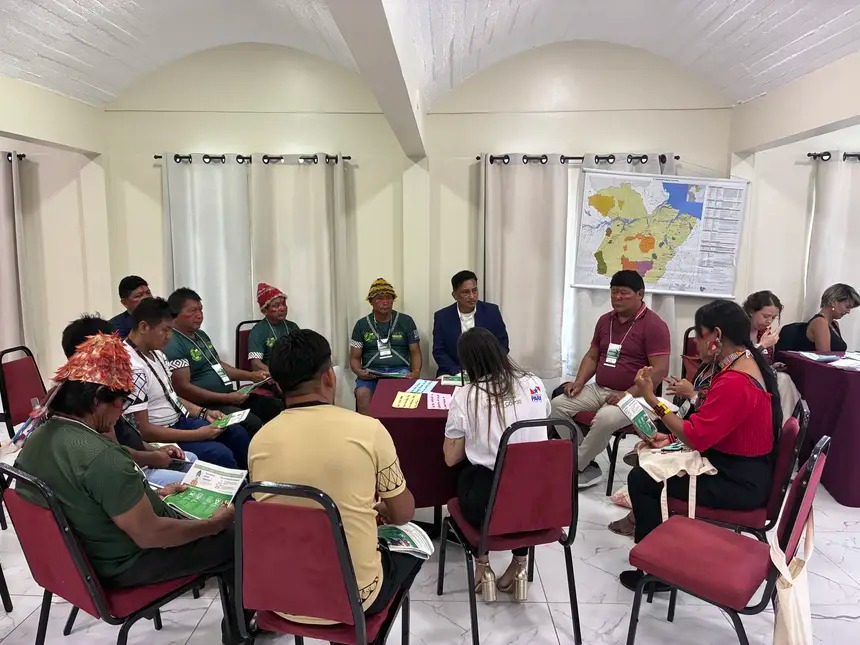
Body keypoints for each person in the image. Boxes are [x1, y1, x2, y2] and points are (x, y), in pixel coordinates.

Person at [13, 333, 242, 644]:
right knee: (235, 535)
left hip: (79, 560)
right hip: (124, 564)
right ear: (95, 400)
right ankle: (240, 631)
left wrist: (155, 497)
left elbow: (85, 498)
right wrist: (215, 524)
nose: (122, 412)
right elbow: (151, 535)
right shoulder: (101, 458)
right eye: (121, 402)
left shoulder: (39, 437)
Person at [249, 329, 422, 627]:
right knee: (411, 550)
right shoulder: (369, 430)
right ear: (329, 376)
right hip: (353, 599)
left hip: (282, 598)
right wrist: (380, 509)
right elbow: (404, 513)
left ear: (277, 384)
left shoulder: (259, 441)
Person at [618, 300, 781, 592]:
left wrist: (652, 400)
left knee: (642, 480)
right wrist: (669, 438)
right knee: (650, 462)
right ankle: (662, 556)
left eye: (699, 333)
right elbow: (709, 422)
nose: (695, 341)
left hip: (737, 482)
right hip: (739, 468)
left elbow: (696, 436)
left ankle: (658, 572)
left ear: (716, 335)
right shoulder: (742, 363)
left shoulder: (736, 380)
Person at [443, 328, 550, 602]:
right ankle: (519, 566)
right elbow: (544, 420)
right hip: (541, 500)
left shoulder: (466, 395)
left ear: (468, 363)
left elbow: (450, 458)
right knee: (522, 473)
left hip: (491, 505)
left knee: (470, 473)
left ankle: (483, 567)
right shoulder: (534, 382)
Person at [551, 270, 670, 488]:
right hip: (599, 388)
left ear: (640, 294)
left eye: (624, 293)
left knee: (604, 420)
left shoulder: (654, 325)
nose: (617, 298)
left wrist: (627, 393)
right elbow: (592, 356)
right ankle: (586, 464)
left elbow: (660, 370)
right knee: (557, 406)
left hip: (635, 396)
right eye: (613, 292)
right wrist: (578, 382)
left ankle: (575, 466)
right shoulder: (605, 321)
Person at [61, 314, 199, 486]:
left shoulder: (106, 382)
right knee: (196, 482)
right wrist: (153, 457)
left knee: (190, 459)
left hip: (138, 459)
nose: (120, 350)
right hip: (131, 471)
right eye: (113, 345)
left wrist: (156, 449)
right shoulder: (96, 398)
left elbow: (127, 435)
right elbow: (114, 454)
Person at [125, 298, 251, 469]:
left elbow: (171, 396)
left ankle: (250, 486)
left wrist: (203, 412)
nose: (170, 337)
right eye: (166, 330)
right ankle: (235, 492)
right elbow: (144, 430)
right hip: (161, 436)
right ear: (144, 327)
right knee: (220, 454)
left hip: (180, 421)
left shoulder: (158, 354)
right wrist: (197, 434)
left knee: (236, 432)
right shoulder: (131, 366)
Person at [165, 288, 283, 432]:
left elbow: (218, 366)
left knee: (276, 406)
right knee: (252, 422)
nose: (199, 315)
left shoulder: (201, 335)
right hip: (207, 404)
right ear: (174, 315)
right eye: (192, 311)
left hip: (227, 396)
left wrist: (252, 376)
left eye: (201, 310)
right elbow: (183, 388)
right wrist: (227, 398)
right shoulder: (173, 342)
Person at [349, 278, 422, 415]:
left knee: (402, 399)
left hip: (400, 371)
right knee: (362, 394)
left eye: (389, 298)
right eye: (380, 298)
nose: (385, 302)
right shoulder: (361, 325)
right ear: (371, 302)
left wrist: (416, 372)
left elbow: (415, 351)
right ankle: (368, 432)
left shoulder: (406, 321)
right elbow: (354, 357)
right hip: (371, 373)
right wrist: (359, 372)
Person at [433, 270, 509, 377]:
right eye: (466, 292)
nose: (472, 296)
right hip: (453, 372)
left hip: (488, 371)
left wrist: (487, 368)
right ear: (455, 295)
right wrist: (458, 372)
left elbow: (503, 344)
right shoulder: (442, 317)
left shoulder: (492, 311)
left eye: (474, 290)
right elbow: (439, 351)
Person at [743, 290, 801, 421]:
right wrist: (762, 345)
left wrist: (771, 365)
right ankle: (785, 425)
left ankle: (786, 423)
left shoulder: (763, 332)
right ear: (752, 311)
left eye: (773, 318)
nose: (769, 321)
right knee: (783, 380)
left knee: (785, 379)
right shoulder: (738, 329)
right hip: (741, 378)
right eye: (765, 316)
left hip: (760, 377)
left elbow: (761, 361)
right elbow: (737, 359)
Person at [247, 282, 300, 372]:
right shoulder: (258, 331)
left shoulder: (292, 326)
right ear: (265, 310)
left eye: (283, 304)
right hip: (272, 377)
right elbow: (256, 364)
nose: (282, 308)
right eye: (276, 305)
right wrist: (275, 375)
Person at [805, 283, 860, 352]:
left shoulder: (834, 324)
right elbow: (825, 355)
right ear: (833, 302)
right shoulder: (820, 322)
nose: (848, 311)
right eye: (847, 307)